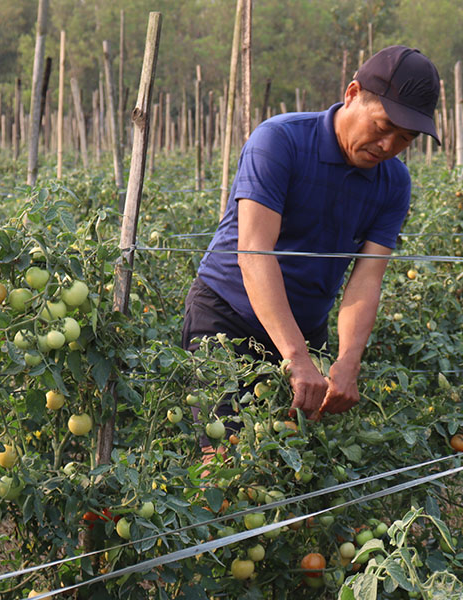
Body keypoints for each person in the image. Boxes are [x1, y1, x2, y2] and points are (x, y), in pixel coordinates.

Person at [181, 46, 441, 437]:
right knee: (221, 465)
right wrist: (296, 358)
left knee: (289, 470)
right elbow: (254, 254)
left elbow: (366, 280)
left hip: (305, 332)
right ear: (352, 94)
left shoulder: (394, 182)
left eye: (404, 139)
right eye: (383, 126)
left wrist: (348, 361)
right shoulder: (280, 141)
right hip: (226, 319)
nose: (388, 146)